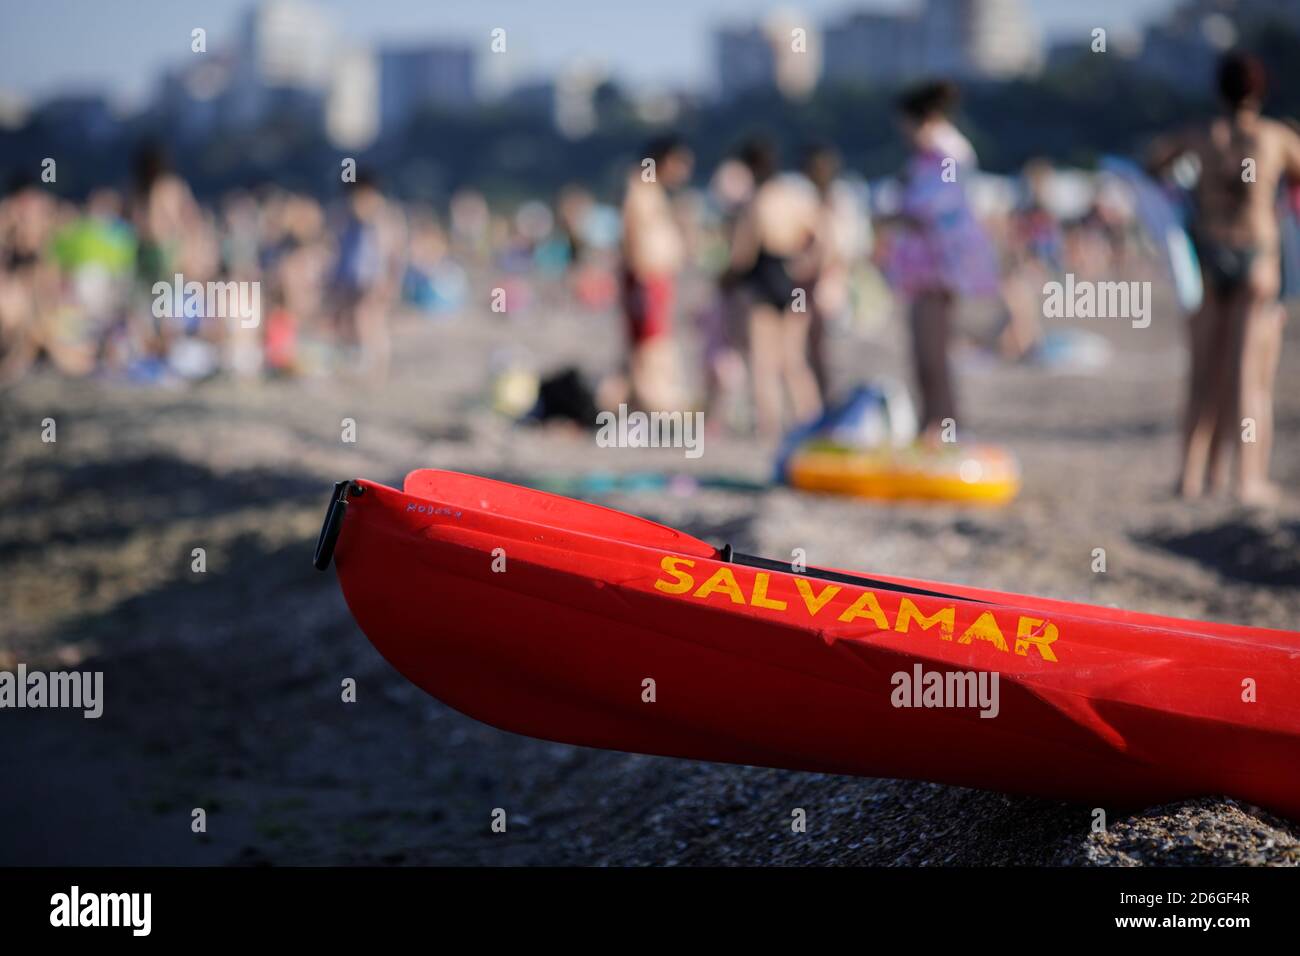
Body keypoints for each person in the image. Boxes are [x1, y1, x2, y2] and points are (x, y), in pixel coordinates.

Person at [1149, 51, 1300, 504]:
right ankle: (1247, 480)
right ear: (1260, 90)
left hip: (1208, 255)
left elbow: (1154, 164)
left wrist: (1190, 191)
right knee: (1248, 377)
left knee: (1201, 375)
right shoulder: (1276, 137)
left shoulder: (1198, 135)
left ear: (1219, 89)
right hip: (1256, 256)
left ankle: (1191, 477)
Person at [882, 80, 999, 442]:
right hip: (925, 266)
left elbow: (936, 211)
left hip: (938, 267)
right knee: (922, 354)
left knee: (933, 355)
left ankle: (945, 428)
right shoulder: (931, 155)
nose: (903, 132)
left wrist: (897, 214)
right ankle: (931, 425)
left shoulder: (948, 153)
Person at [725, 136, 823, 438]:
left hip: (765, 280)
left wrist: (726, 281)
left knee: (763, 362)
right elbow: (820, 240)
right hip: (793, 281)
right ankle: (811, 421)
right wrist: (807, 269)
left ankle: (768, 427)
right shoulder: (795, 196)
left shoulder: (757, 201)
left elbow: (743, 255)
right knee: (794, 360)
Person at [619, 134, 693, 412]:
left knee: (655, 342)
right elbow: (632, 233)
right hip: (646, 278)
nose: (684, 172)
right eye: (681, 164)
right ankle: (655, 405)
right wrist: (642, 278)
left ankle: (650, 403)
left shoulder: (651, 190)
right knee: (650, 345)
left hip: (656, 278)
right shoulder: (640, 187)